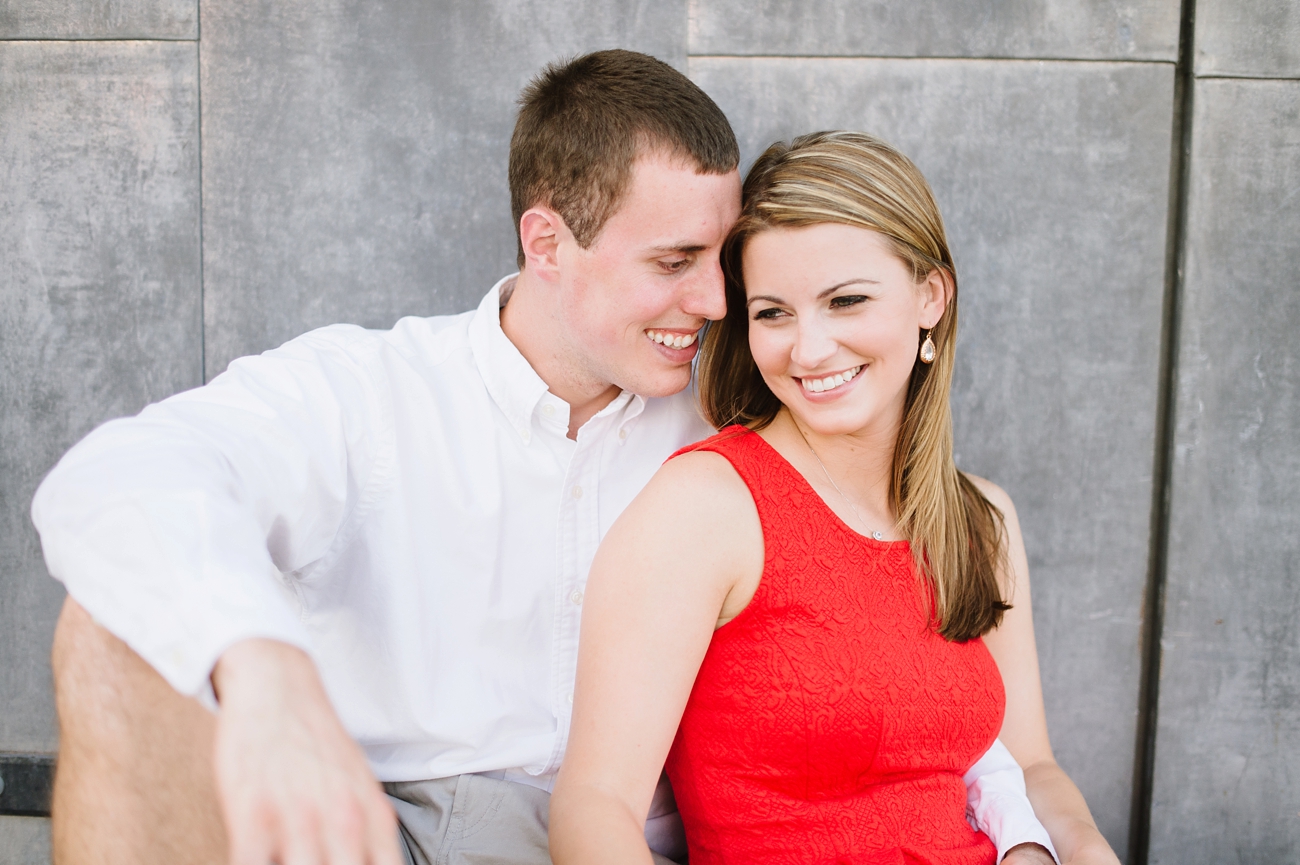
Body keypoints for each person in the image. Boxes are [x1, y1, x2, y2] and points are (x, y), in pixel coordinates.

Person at [35, 51, 1059, 864]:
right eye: (673, 263)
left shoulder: (760, 415)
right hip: (367, 822)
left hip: (609, 842)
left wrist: (1034, 834)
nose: (717, 305)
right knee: (108, 639)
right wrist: (262, 671)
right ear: (547, 242)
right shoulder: (369, 392)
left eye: (722, 262)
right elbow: (113, 481)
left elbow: (915, 666)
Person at [549, 132, 1121, 865]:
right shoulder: (708, 506)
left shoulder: (982, 520)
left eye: (845, 300)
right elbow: (595, 805)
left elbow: (1033, 766)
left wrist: (1084, 846)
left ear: (930, 298)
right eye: (773, 313)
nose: (809, 349)